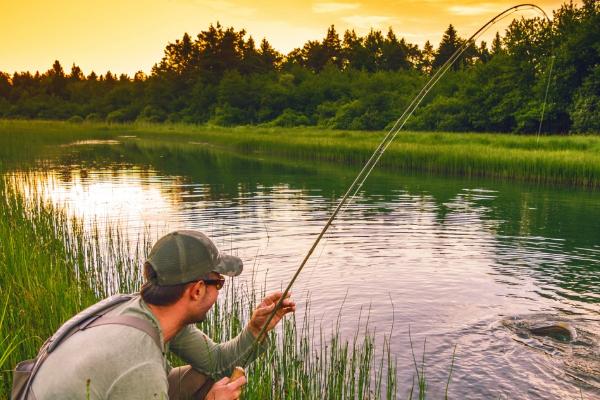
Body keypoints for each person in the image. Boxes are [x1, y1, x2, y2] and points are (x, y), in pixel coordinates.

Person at [29, 230, 295, 399]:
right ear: (197, 290)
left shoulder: (146, 311)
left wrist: (257, 330)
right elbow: (138, 372)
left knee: (204, 377)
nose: (219, 292)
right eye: (219, 283)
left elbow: (216, 364)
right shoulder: (140, 364)